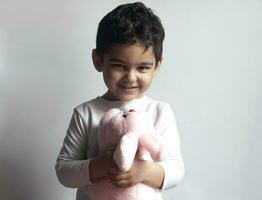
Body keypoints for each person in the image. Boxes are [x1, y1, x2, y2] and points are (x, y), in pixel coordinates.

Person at [55, 2, 184, 200]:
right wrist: (102, 165)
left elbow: (176, 169)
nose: (130, 77)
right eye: (119, 65)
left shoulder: (159, 112)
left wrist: (144, 171)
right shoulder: (86, 113)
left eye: (142, 68)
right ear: (98, 61)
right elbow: (64, 171)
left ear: (157, 66)